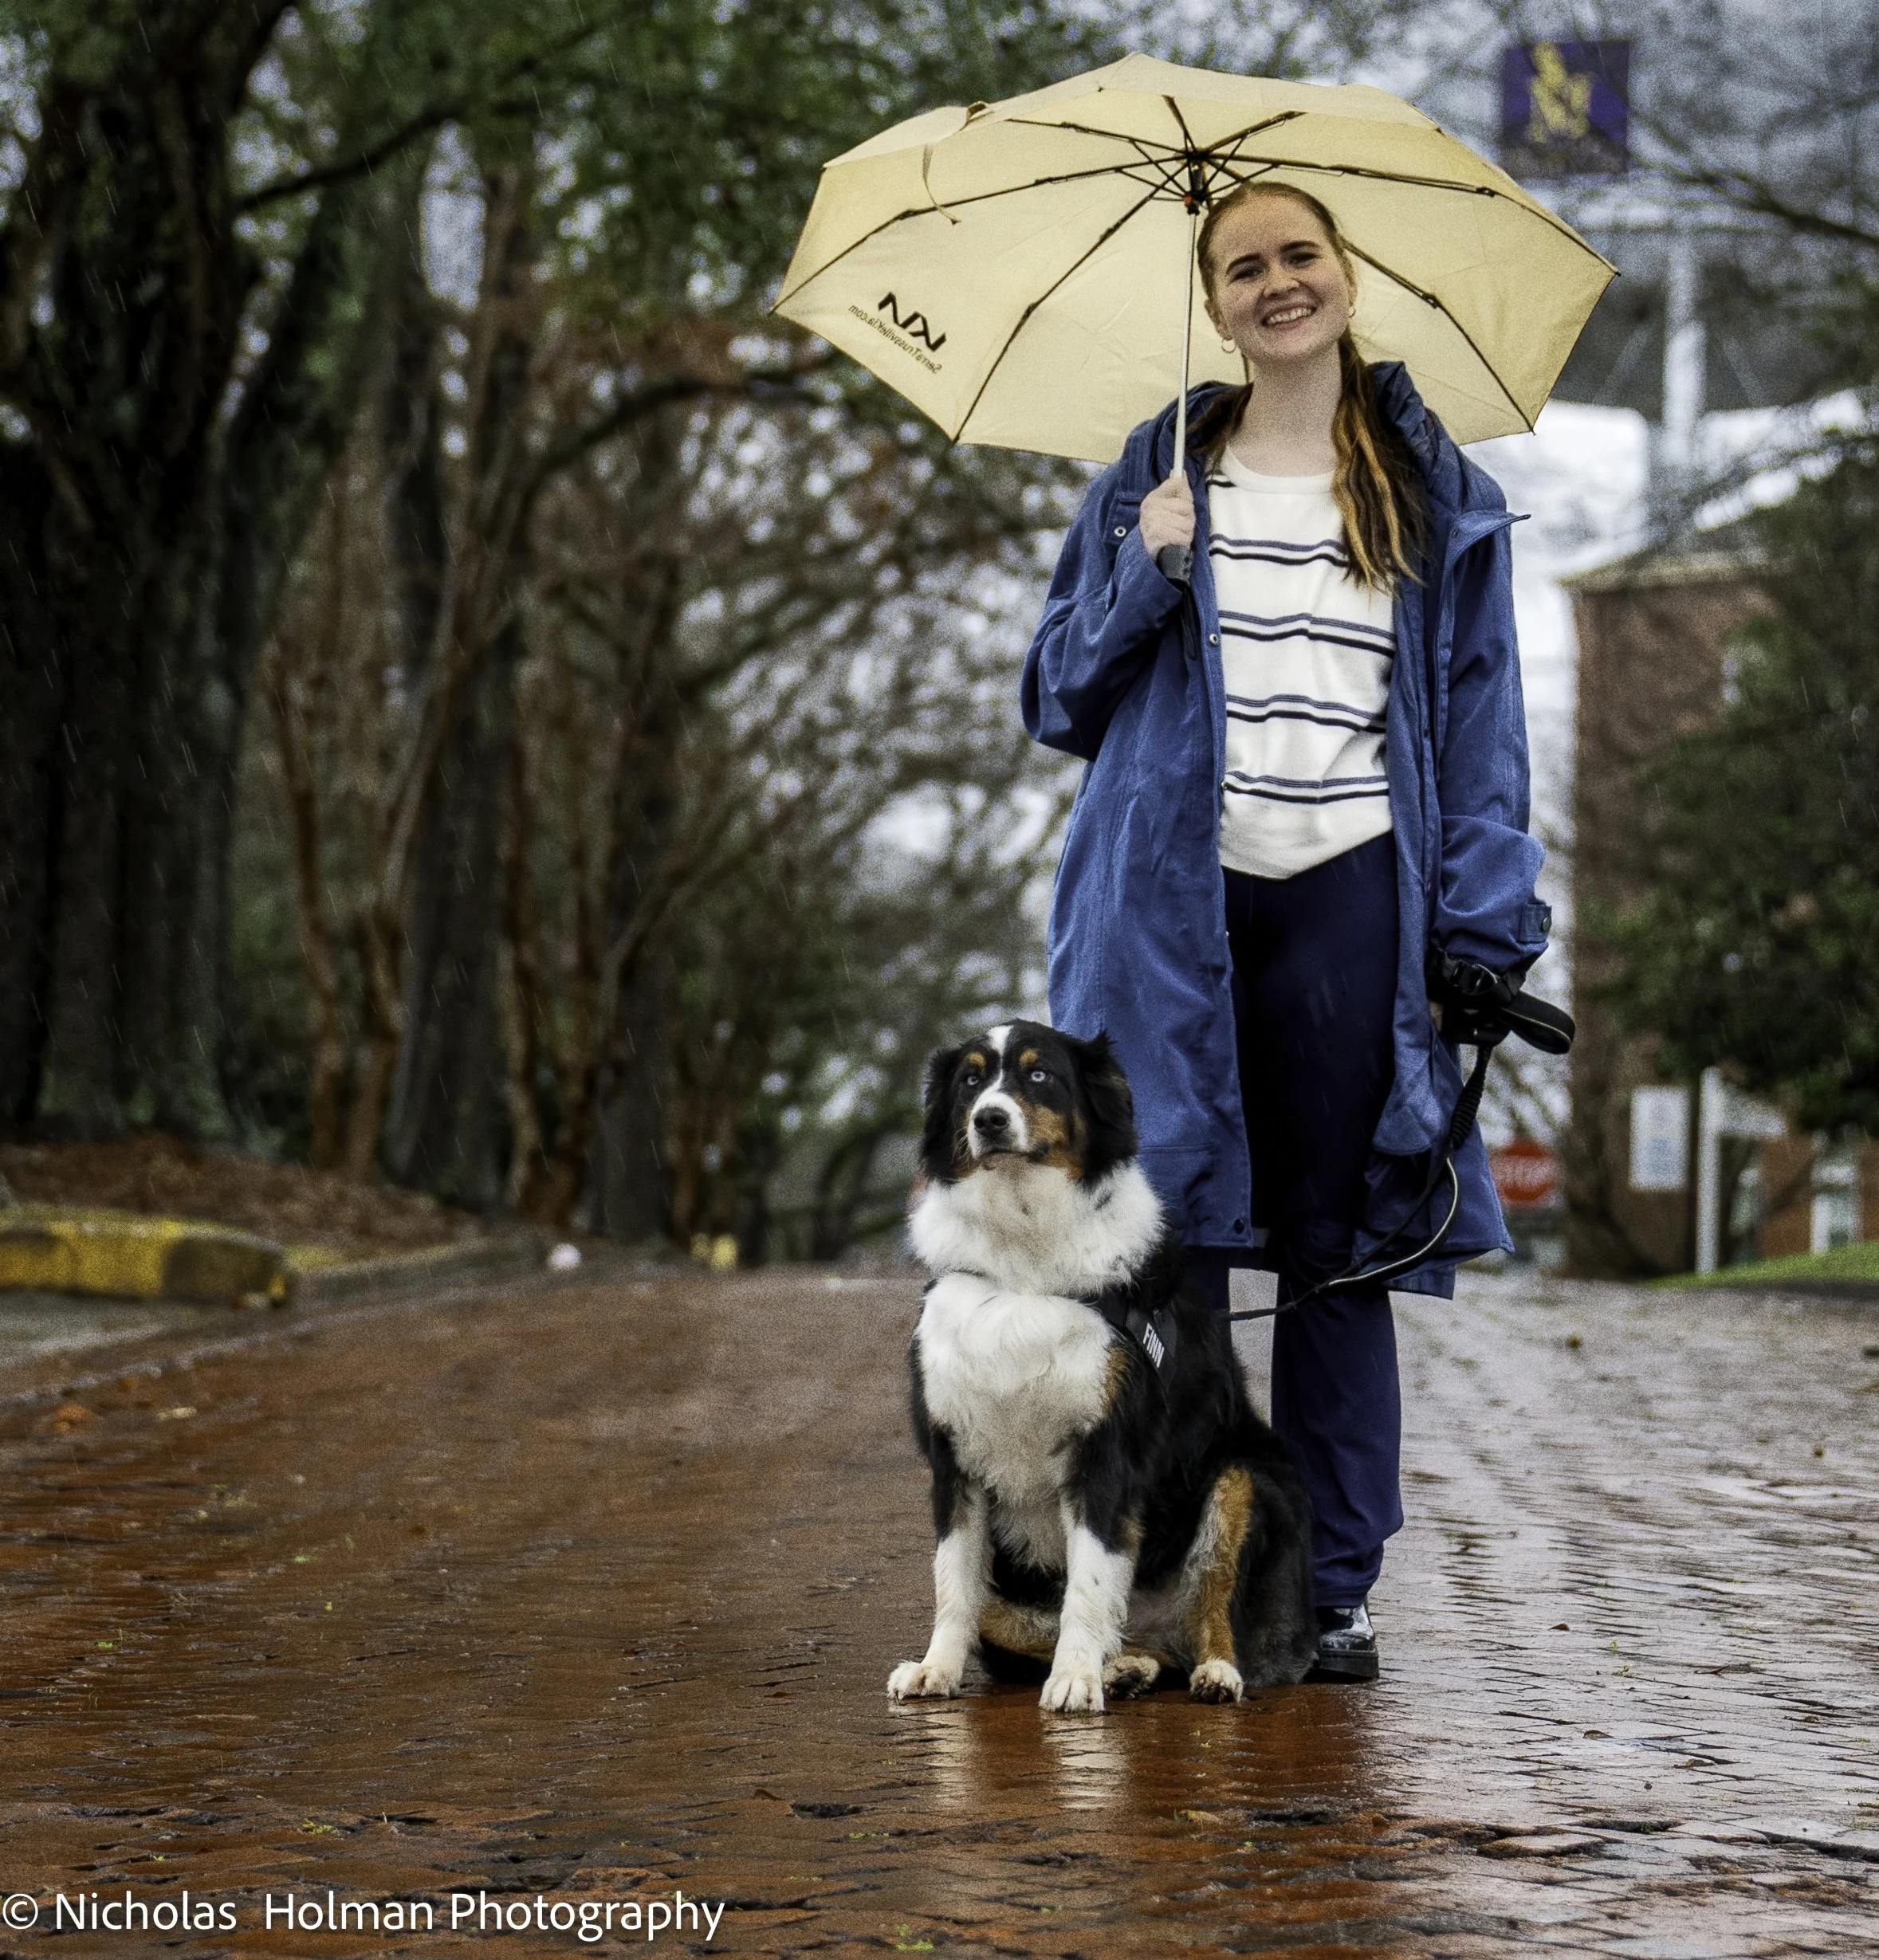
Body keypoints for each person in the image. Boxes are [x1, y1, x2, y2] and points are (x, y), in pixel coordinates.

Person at [1020, 182, 1550, 1683]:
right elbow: (1055, 695)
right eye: (1243, 267)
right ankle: (1166, 1564)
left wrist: (1485, 926)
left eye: (1297, 256)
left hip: (1352, 904)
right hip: (1169, 912)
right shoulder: (1156, 467)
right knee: (1163, 1251)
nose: (1276, 284)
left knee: (1335, 1259)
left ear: (1345, 270)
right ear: (1216, 300)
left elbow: (1480, 719)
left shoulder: (1428, 484)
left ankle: (1323, 1580)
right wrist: (1150, 565)